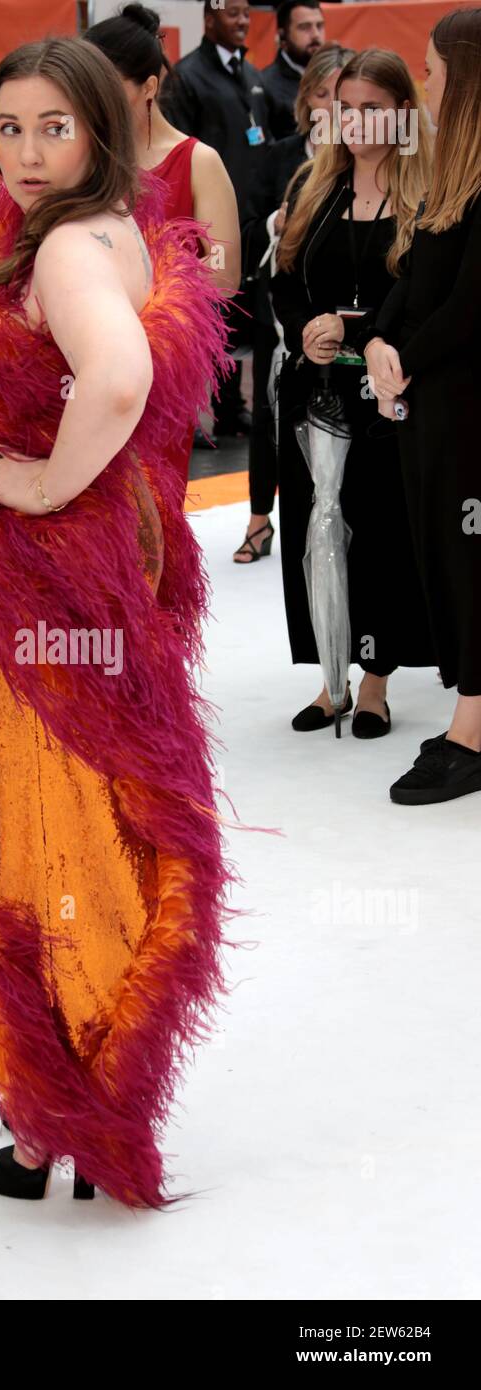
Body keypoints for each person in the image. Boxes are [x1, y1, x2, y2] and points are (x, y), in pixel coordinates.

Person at [0, 36, 234, 1209]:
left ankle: (55, 1120)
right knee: (84, 836)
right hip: (77, 595)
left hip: (33, 594)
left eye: (55, 127)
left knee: (40, 844)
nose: (29, 153)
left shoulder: (68, 248)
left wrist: (41, 488)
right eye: (9, 129)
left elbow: (117, 378)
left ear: (98, 126)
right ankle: (72, 1105)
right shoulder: (105, 230)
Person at [271, 48, 435, 737]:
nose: (359, 122)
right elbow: (283, 280)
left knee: (380, 535)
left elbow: (421, 292)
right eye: (348, 107)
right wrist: (306, 325)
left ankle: (374, 680)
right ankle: (328, 676)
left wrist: (354, 327)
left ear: (402, 113)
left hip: (387, 399)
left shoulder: (430, 193)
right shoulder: (314, 183)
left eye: (374, 108)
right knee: (315, 533)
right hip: (314, 395)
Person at [364, 9, 481, 803]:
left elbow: (472, 306)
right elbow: (414, 276)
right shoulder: (453, 173)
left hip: (468, 413)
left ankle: (470, 732)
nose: (426, 79)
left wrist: (402, 358)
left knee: (472, 564)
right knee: (447, 557)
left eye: (434, 67)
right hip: (434, 409)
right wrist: (378, 339)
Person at [85, 2, 240, 499]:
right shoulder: (83, 161)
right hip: (80, 366)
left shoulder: (197, 161)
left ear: (149, 87)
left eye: (107, 85)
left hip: (159, 372)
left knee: (152, 522)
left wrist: (151, 301)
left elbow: (222, 274)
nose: (92, 99)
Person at [235, 43, 354, 562]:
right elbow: (240, 229)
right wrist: (273, 225)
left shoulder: (368, 160)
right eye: (324, 93)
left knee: (333, 408)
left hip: (335, 311)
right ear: (307, 100)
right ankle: (260, 519)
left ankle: (330, 514)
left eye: (343, 95)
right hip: (275, 305)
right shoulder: (278, 157)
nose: (332, 105)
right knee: (267, 410)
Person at [159, 0, 272, 437]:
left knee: (237, 312)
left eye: (247, 14)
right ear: (209, 18)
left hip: (251, 217)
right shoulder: (187, 77)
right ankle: (188, 412)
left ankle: (231, 406)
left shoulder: (251, 75)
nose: (243, 21)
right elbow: (176, 152)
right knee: (204, 311)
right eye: (232, 13)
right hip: (205, 220)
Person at [262, 1, 326, 140]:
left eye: (319, 26)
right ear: (282, 35)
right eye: (305, 27)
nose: (315, 35)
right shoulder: (265, 85)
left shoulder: (335, 76)